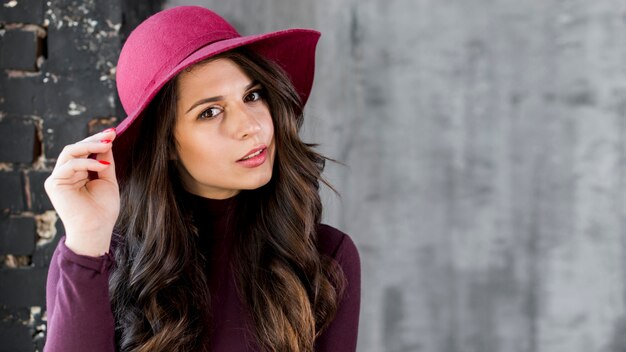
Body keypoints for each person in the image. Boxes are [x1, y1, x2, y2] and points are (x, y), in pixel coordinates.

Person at [43, 6, 360, 352]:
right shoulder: (94, 258)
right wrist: (88, 239)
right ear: (165, 145)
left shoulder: (325, 259)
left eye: (252, 96)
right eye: (210, 112)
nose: (251, 126)